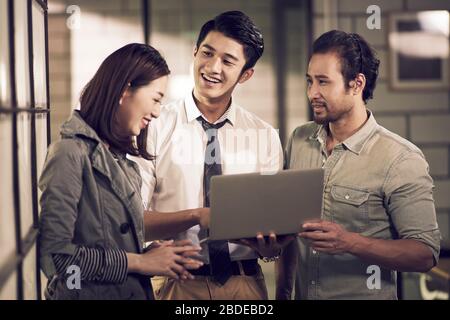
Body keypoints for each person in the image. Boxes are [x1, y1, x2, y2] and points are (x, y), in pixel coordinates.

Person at [131, 11, 285, 300]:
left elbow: (273, 231)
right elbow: (133, 219)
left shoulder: (264, 136)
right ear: (194, 52)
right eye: (207, 53)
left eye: (228, 61)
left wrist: (271, 248)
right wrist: (196, 217)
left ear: (246, 74)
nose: (212, 67)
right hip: (174, 282)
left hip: (245, 285)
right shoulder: (153, 126)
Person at [276, 30, 441, 300]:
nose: (312, 93)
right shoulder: (299, 140)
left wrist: (349, 242)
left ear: (356, 83)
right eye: (309, 81)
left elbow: (424, 254)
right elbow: (291, 238)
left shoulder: (400, 158)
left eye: (323, 82)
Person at [39, 43, 208, 300]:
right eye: (155, 99)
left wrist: (155, 253)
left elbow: (107, 237)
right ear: (124, 90)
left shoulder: (120, 160)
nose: (157, 112)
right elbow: (56, 258)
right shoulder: (69, 154)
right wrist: (139, 262)